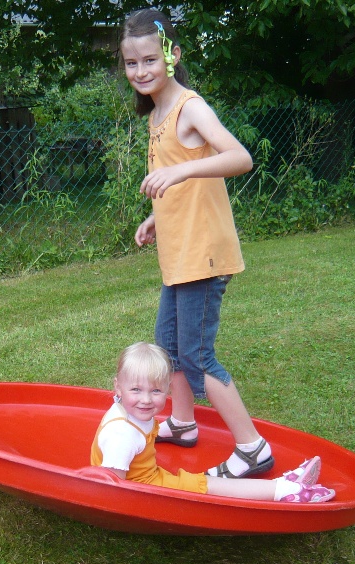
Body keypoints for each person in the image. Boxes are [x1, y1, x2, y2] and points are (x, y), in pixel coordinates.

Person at [120, 7, 270, 479]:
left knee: (196, 356)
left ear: (172, 55)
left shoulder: (190, 107)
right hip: (179, 252)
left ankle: (252, 449)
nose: (141, 71)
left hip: (204, 253)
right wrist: (156, 218)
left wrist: (180, 170)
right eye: (131, 63)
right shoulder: (157, 115)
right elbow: (181, 187)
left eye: (150, 60)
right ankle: (183, 423)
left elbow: (239, 158)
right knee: (168, 347)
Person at [90, 342, 335, 503]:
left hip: (150, 478)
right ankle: (287, 491)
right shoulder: (122, 435)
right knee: (210, 485)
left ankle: (284, 486)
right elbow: (114, 488)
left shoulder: (127, 409)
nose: (146, 399)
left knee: (208, 482)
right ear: (118, 387)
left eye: (156, 391)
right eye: (136, 389)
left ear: (168, 388)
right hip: (151, 491)